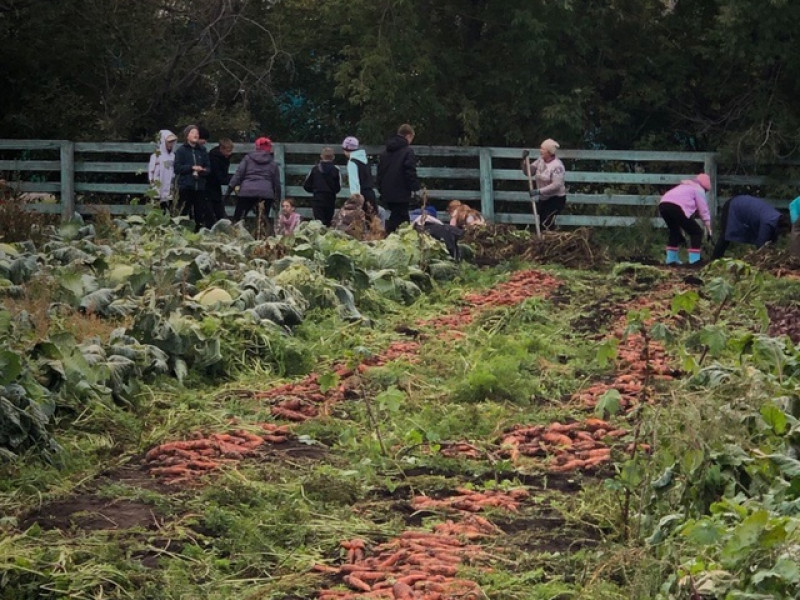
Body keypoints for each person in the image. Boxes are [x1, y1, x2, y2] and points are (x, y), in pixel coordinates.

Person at [710, 195, 791, 259]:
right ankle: (714, 259)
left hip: (741, 204)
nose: (783, 235)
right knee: (725, 236)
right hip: (734, 206)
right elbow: (761, 244)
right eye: (785, 232)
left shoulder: (775, 218)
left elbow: (771, 241)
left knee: (725, 236)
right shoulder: (768, 223)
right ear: (782, 228)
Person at [658, 173, 713, 265]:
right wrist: (709, 228)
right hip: (676, 207)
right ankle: (694, 260)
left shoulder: (684, 186)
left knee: (674, 231)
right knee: (696, 232)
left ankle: (671, 259)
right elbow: (703, 209)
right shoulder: (698, 189)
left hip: (663, 205)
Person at [229, 137, 281, 230]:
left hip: (247, 192)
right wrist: (277, 200)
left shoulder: (248, 159)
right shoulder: (272, 163)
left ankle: (235, 237)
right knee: (262, 220)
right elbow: (276, 183)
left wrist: (228, 191)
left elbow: (238, 175)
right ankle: (261, 239)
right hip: (266, 193)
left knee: (238, 219)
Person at [377, 124, 420, 234]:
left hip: (387, 190)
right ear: (408, 136)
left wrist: (380, 188)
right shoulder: (407, 151)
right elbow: (409, 171)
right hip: (401, 191)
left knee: (400, 216)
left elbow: (380, 171)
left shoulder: (385, 152)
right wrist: (415, 187)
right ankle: (388, 236)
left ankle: (397, 236)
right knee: (399, 217)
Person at [521, 138, 567, 230]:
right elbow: (528, 172)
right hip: (543, 198)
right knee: (542, 222)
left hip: (555, 199)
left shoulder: (557, 166)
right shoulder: (540, 160)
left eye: (543, 149)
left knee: (547, 223)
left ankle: (550, 240)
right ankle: (543, 240)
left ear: (549, 152)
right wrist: (524, 161)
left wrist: (538, 191)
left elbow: (556, 185)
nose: (540, 151)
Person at [173, 124, 212, 231]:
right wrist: (191, 168)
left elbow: (208, 168)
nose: (195, 135)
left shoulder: (203, 150)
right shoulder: (181, 151)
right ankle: (181, 232)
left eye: (197, 133)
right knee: (184, 212)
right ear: (187, 136)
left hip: (199, 187)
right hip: (186, 186)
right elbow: (177, 168)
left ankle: (198, 233)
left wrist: (202, 171)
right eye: (192, 132)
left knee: (199, 213)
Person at [302, 146, 341, 226]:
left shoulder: (315, 169)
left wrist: (314, 190)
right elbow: (338, 187)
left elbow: (306, 185)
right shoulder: (336, 170)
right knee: (328, 221)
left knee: (318, 222)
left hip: (318, 198)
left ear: (321, 156)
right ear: (333, 157)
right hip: (330, 198)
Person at [342, 136, 378, 220]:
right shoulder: (364, 159)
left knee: (360, 224)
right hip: (370, 193)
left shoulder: (352, 162)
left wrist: (355, 200)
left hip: (361, 196)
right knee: (372, 222)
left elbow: (354, 182)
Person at [148, 129, 177, 212]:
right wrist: (154, 187)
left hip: (170, 188)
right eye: (169, 142)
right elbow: (152, 172)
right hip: (159, 188)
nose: (170, 144)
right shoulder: (156, 156)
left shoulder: (173, 156)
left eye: (172, 142)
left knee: (170, 210)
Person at [207, 138, 234, 223]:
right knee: (212, 213)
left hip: (216, 188)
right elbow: (219, 177)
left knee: (219, 211)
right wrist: (231, 179)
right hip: (209, 187)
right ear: (221, 149)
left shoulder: (225, 158)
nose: (229, 153)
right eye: (228, 151)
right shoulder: (213, 158)